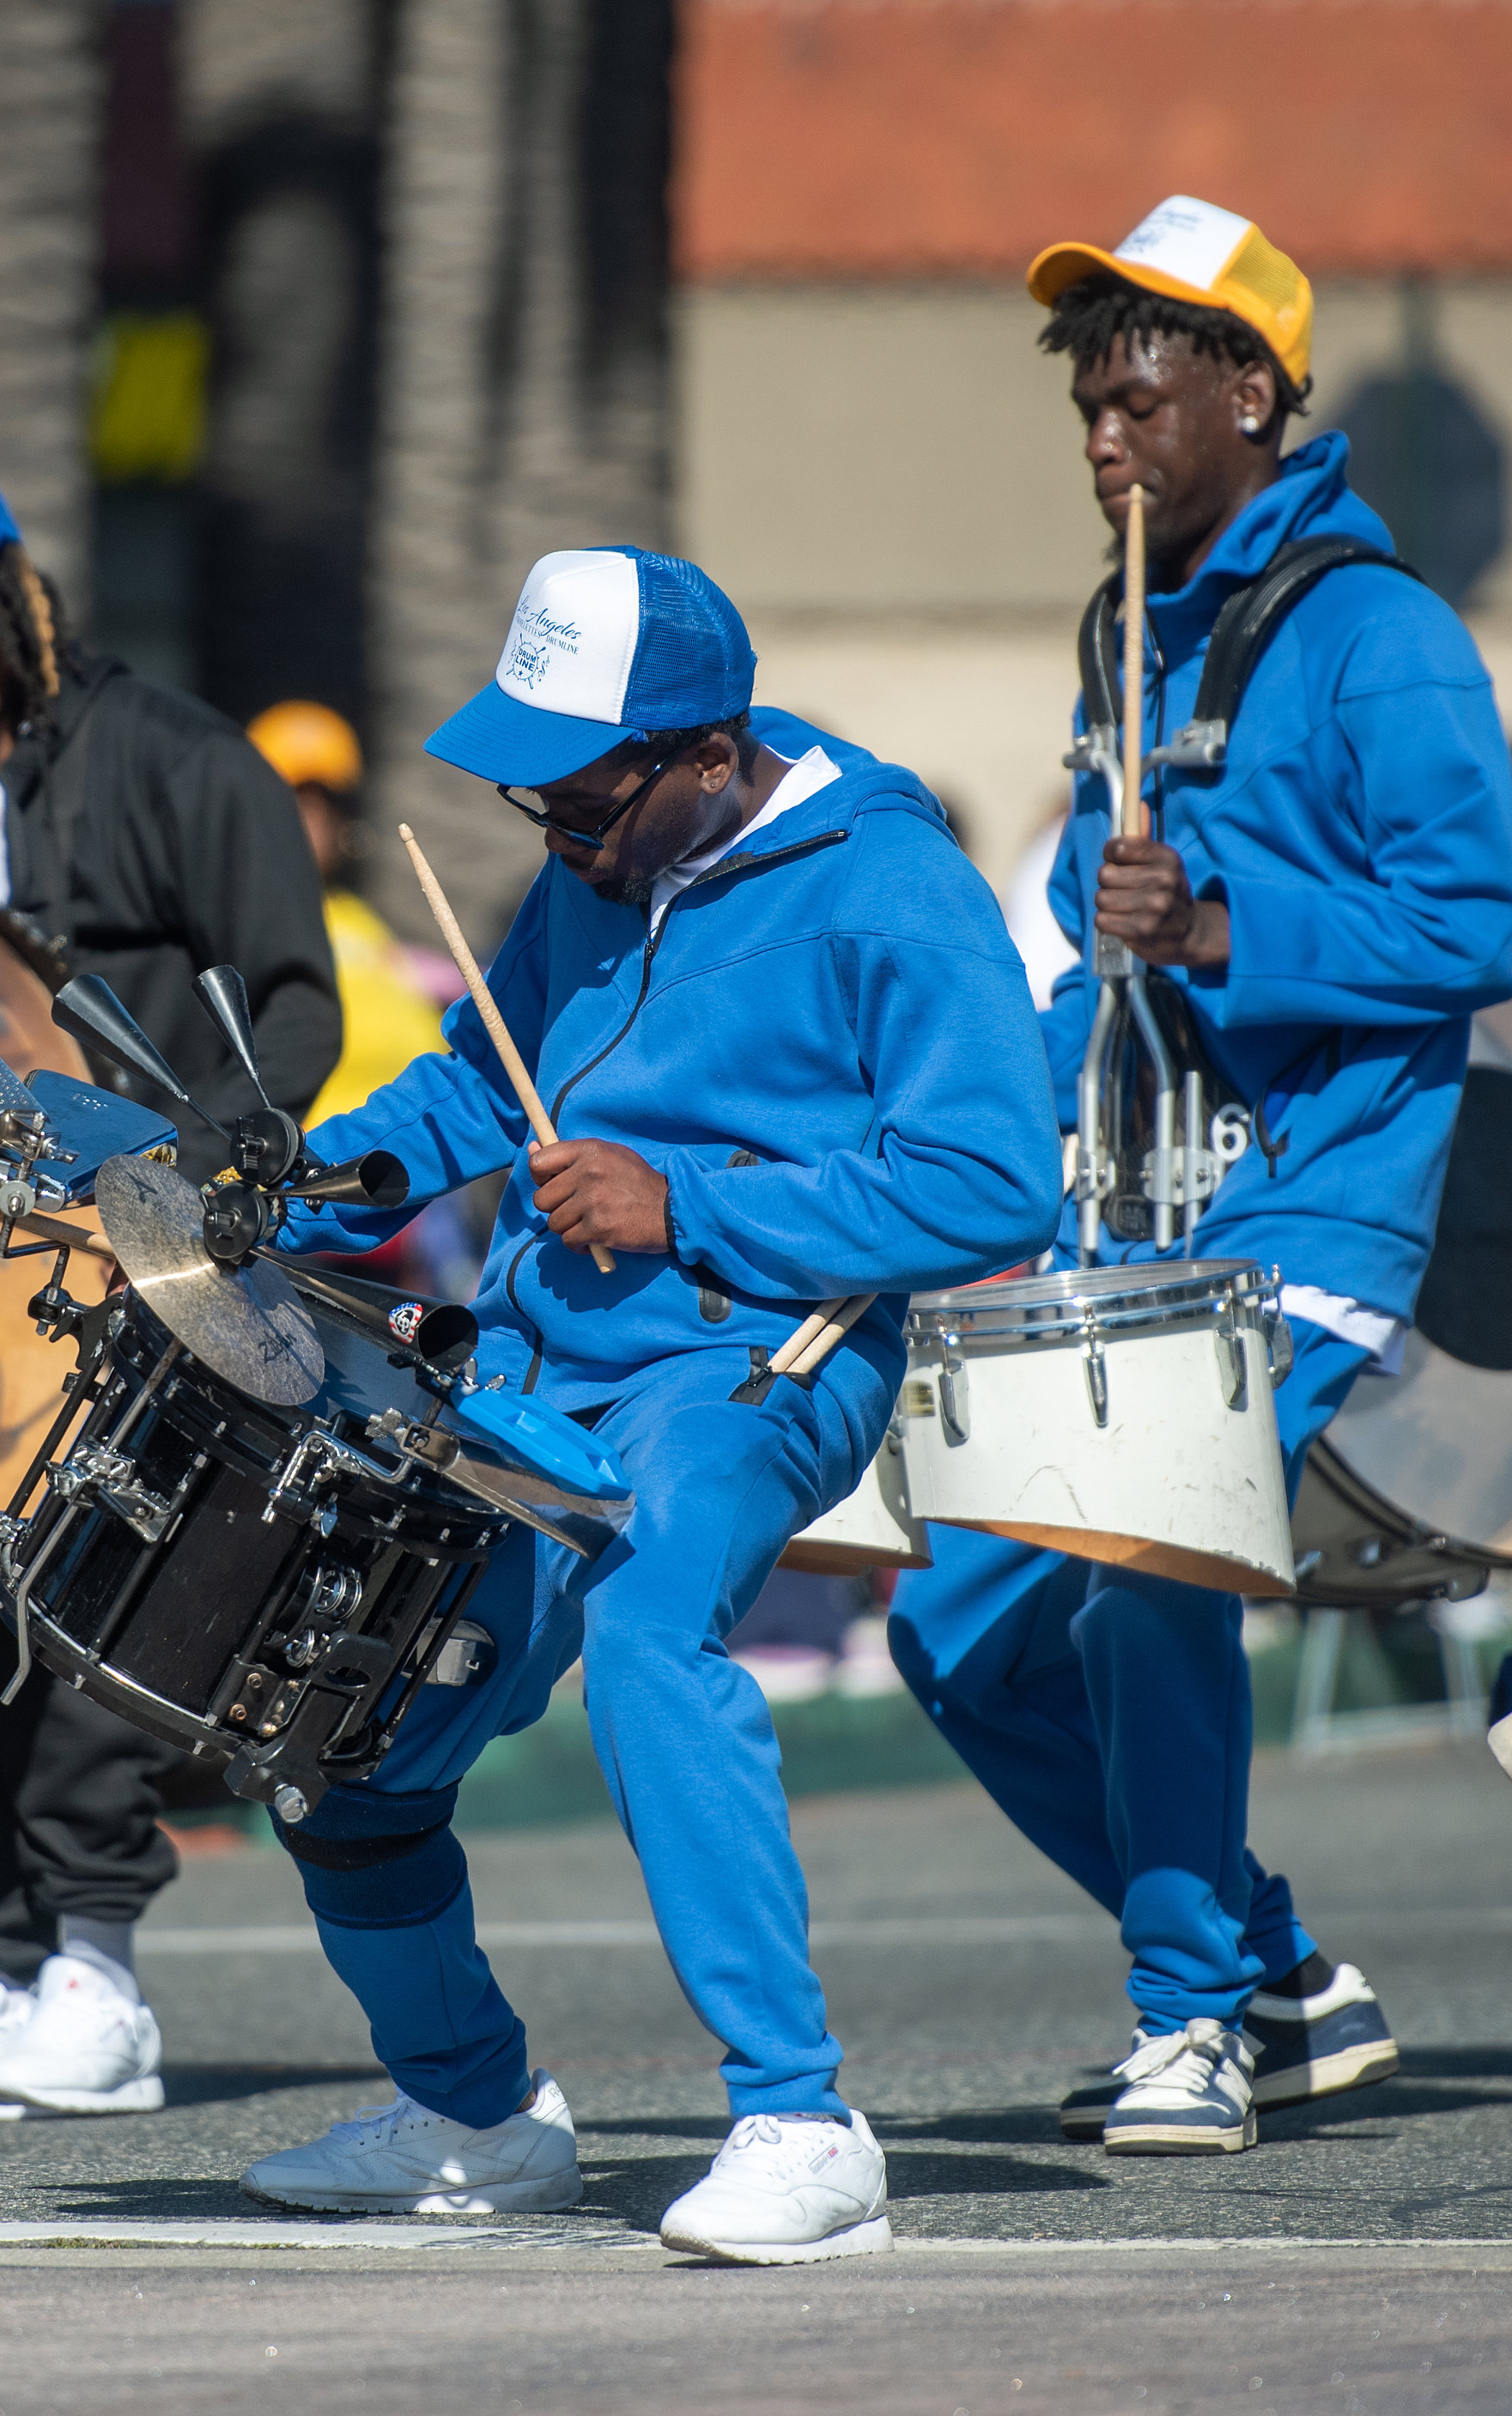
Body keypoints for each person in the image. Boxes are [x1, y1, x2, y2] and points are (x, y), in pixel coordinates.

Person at [244, 543, 1059, 2262]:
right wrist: (300, 1184)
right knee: (338, 1733)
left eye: (579, 791)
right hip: (541, 1368)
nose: (547, 823)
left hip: (757, 1355)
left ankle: (797, 2120)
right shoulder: (601, 856)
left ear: (704, 754)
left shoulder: (888, 884)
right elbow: (483, 1079)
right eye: (526, 785)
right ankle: (469, 2112)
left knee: (643, 1618)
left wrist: (686, 1206)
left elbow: (993, 1184)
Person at [888, 198, 1512, 2156]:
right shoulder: (1125, 624)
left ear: (1250, 388)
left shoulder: (1379, 633)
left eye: (1137, 388)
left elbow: (1481, 914)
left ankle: (1183, 2023)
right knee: (954, 1624)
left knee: (1144, 1545)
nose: (1100, 427)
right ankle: (1270, 1973)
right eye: (1083, 397)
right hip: (1135, 1217)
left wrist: (1237, 928)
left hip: (1328, 1207)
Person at [0, 450, 337, 2127]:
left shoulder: (166, 757)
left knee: (85, 1609)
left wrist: (204, 1181)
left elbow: (293, 999)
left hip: (119, 1256)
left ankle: (94, 1977)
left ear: (15, 586)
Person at [246, 701, 457, 1121]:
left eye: (322, 804)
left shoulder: (354, 914)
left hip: (415, 1149)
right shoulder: (249, 919)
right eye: (293, 802)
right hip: (321, 1158)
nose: (312, 823)